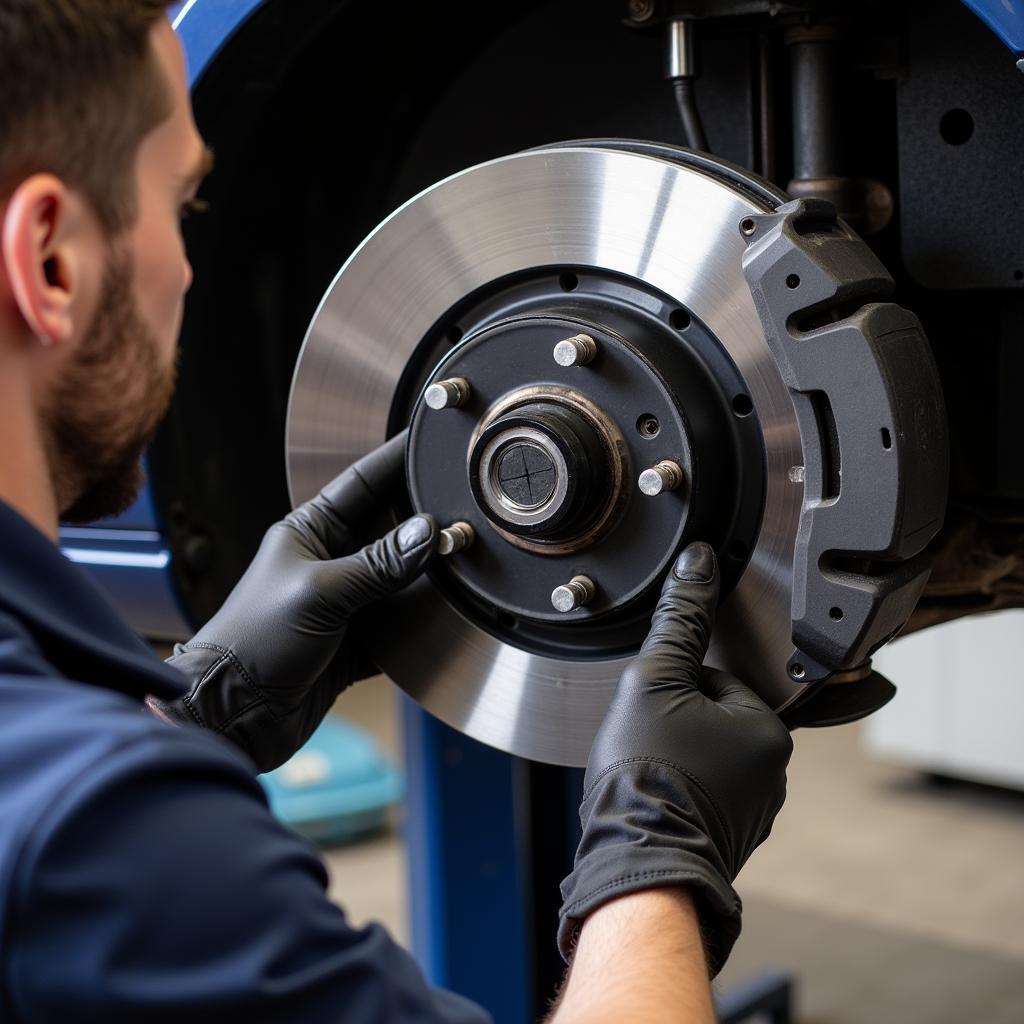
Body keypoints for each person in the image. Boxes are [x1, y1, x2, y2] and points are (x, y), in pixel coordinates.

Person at [0, 2, 793, 1021]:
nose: (190, 266)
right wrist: (654, 862)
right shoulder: (119, 846)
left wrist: (192, 713)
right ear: (51, 260)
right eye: (181, 203)